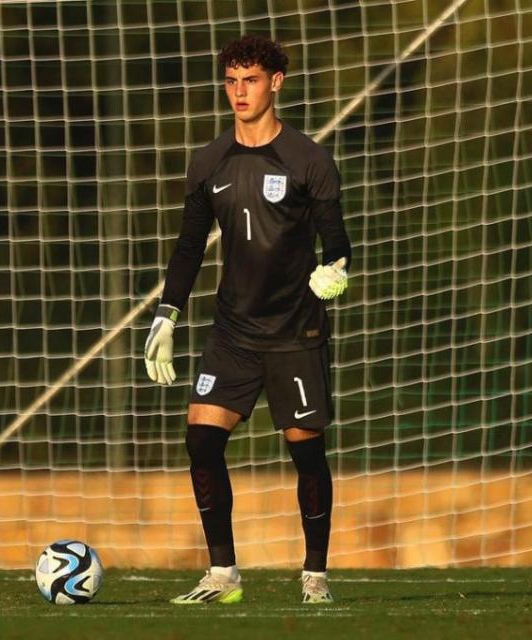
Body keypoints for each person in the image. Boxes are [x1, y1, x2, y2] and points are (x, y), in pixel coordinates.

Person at [144, 34, 351, 605]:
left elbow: (337, 242)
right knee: (201, 442)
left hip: (294, 333)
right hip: (232, 333)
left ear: (275, 82)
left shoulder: (309, 158)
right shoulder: (208, 161)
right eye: (231, 81)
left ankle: (315, 578)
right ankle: (223, 575)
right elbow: (189, 248)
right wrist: (167, 315)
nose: (239, 91)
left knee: (305, 452)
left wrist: (336, 271)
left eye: (251, 80)